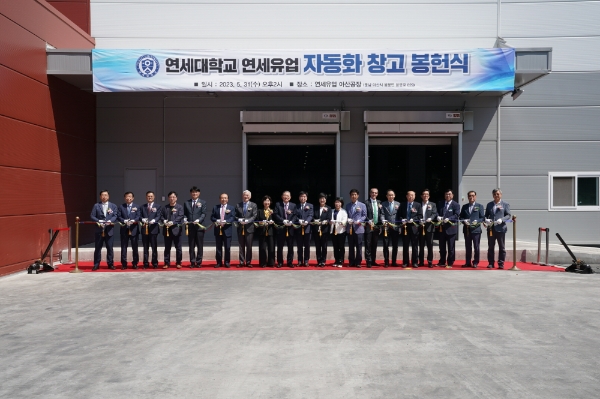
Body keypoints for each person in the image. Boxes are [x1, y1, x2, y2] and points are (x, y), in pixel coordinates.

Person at [90, 190, 118, 271]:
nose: (104, 197)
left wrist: (110, 221)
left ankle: (110, 264)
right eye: (102, 195)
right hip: (99, 230)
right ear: (100, 196)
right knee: (98, 248)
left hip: (109, 230)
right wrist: (98, 220)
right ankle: (96, 264)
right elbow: (92, 216)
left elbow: (115, 215)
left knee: (109, 248)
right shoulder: (96, 205)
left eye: (106, 195)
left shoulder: (113, 206)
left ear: (108, 196)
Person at [485, 188, 512, 269]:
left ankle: (501, 263)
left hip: (501, 229)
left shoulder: (505, 204)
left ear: (501, 195)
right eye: (494, 194)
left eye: (498, 194)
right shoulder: (489, 204)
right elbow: (486, 215)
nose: (496, 195)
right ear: (492, 195)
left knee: (502, 247)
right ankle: (491, 263)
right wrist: (486, 219)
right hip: (491, 229)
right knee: (490, 247)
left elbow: (508, 215)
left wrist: (502, 219)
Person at [183, 186, 207, 268]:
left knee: (200, 245)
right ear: (190, 193)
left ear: (199, 193)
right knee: (191, 245)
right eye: (193, 192)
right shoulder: (186, 203)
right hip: (190, 227)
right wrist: (185, 218)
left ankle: (199, 262)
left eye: (196, 192)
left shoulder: (203, 202)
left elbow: (204, 214)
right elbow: (185, 213)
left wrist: (199, 220)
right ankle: (192, 262)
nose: (194, 193)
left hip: (199, 227)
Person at [460, 190, 485, 268]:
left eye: (473, 195)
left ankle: (475, 262)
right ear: (468, 197)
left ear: (475, 197)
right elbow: (460, 217)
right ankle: (468, 262)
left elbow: (482, 218)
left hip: (476, 230)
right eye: (470, 196)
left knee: (476, 247)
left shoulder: (480, 206)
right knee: (468, 247)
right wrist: (464, 221)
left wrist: (477, 221)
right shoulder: (464, 207)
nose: (471, 197)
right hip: (467, 230)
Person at [210, 193, 236, 268]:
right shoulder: (215, 207)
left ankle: (227, 262)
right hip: (218, 230)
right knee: (218, 247)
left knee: (227, 247)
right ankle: (218, 262)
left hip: (227, 230)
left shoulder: (231, 208)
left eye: (225, 198)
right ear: (219, 199)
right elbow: (212, 217)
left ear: (227, 199)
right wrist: (217, 220)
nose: (223, 199)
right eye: (222, 198)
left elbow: (232, 217)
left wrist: (226, 221)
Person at [273, 191, 298, 268]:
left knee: (290, 246)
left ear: (290, 197)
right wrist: (283, 220)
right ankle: (280, 262)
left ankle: (290, 262)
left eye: (288, 196)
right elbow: (275, 214)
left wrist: (291, 221)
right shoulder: (278, 204)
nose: (286, 197)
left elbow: (295, 215)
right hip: (281, 228)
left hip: (290, 228)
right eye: (284, 195)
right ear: (282, 196)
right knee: (280, 246)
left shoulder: (293, 205)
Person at [437, 189, 460, 268]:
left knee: (451, 247)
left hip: (451, 228)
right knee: (442, 247)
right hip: (441, 228)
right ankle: (442, 261)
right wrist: (438, 217)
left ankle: (450, 262)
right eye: (446, 194)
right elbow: (437, 212)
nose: (448, 196)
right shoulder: (440, 203)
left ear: (452, 195)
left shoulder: (456, 205)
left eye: (449, 194)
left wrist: (449, 218)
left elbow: (457, 215)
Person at [117, 191, 140, 270]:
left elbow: (138, 216)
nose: (128, 198)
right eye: (127, 196)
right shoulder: (121, 207)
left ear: (133, 198)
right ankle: (124, 264)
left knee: (135, 247)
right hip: (124, 229)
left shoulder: (137, 207)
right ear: (124, 198)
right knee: (124, 247)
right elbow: (118, 216)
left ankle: (135, 263)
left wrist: (133, 220)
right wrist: (124, 221)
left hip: (134, 229)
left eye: (130, 196)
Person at [139, 191, 162, 269]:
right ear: (146, 197)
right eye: (148, 196)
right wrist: (142, 219)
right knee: (145, 247)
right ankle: (145, 263)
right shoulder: (142, 207)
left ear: (154, 197)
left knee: (154, 247)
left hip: (153, 229)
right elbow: (139, 216)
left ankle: (155, 262)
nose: (150, 197)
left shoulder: (158, 206)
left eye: (151, 196)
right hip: (144, 229)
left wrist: (154, 220)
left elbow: (159, 216)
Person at [399, 190, 422, 267]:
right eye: (409, 195)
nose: (410, 197)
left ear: (415, 196)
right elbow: (399, 215)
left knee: (415, 246)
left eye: (412, 195)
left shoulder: (418, 205)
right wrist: (402, 219)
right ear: (406, 196)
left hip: (414, 228)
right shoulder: (402, 205)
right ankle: (405, 262)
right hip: (405, 227)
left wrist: (414, 219)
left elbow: (420, 216)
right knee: (405, 246)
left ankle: (415, 262)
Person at [162, 191, 184, 269]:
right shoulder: (165, 207)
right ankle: (166, 263)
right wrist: (164, 221)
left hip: (176, 230)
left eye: (173, 197)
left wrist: (173, 222)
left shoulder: (179, 207)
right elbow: (162, 216)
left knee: (178, 248)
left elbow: (180, 216)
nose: (172, 198)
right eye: (170, 197)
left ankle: (178, 262)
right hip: (167, 231)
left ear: (176, 198)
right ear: (168, 198)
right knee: (167, 248)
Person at [235, 190, 257, 267]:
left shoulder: (253, 205)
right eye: (244, 195)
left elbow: (254, 216)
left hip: (249, 228)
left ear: (250, 197)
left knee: (249, 246)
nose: (246, 197)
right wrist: (239, 219)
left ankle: (248, 262)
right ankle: (241, 261)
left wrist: (248, 221)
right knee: (241, 246)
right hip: (240, 228)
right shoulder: (238, 205)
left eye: (247, 195)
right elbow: (235, 215)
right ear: (242, 196)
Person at [345, 189, 367, 267]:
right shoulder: (347, 205)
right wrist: (348, 219)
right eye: (352, 195)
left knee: (359, 246)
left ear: (358, 196)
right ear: (350, 196)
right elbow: (346, 215)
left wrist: (359, 220)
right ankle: (351, 262)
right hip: (350, 228)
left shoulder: (362, 205)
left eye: (355, 194)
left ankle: (358, 262)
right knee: (351, 246)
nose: (353, 196)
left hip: (359, 228)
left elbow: (364, 215)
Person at [380, 190, 400, 267]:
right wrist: (383, 220)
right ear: (387, 196)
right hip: (386, 227)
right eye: (389, 195)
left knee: (395, 245)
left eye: (392, 195)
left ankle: (394, 261)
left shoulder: (398, 204)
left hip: (395, 227)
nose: (391, 196)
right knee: (386, 245)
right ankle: (386, 262)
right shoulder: (383, 204)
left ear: (394, 196)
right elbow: (382, 214)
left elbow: (400, 215)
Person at [418, 189, 438, 267]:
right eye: (424, 194)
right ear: (421, 196)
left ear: (429, 196)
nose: (425, 196)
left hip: (429, 227)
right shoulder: (418, 204)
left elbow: (434, 213)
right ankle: (421, 261)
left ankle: (430, 261)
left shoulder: (433, 204)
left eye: (427, 194)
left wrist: (431, 218)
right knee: (421, 245)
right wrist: (419, 219)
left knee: (430, 245)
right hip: (420, 227)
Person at [313, 193, 332, 267]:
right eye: (321, 198)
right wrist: (315, 220)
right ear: (318, 200)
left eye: (323, 198)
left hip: (325, 229)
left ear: (326, 200)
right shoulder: (315, 208)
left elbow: (329, 217)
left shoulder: (329, 208)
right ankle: (318, 261)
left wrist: (326, 221)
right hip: (316, 229)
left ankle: (323, 261)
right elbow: (312, 217)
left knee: (324, 246)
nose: (322, 200)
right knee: (318, 246)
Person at [295, 191, 314, 266]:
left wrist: (307, 221)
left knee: (307, 246)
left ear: (306, 198)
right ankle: (299, 261)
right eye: (301, 196)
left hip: (307, 228)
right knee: (299, 246)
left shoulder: (310, 205)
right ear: (299, 198)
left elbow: (311, 215)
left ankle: (306, 260)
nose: (303, 198)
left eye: (304, 196)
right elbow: (294, 215)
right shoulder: (296, 206)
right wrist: (298, 220)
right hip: (299, 228)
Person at [256, 195, 276, 267]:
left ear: (270, 202)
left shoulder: (273, 211)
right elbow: (257, 220)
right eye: (265, 200)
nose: (267, 202)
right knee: (262, 247)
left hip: (271, 231)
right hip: (262, 231)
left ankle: (271, 262)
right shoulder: (259, 211)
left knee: (271, 247)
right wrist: (261, 222)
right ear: (263, 202)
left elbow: (276, 221)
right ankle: (263, 263)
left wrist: (273, 222)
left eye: (268, 201)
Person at [364, 187, 381, 268]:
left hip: (377, 226)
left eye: (376, 193)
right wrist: (368, 220)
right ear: (370, 193)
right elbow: (364, 214)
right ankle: (368, 261)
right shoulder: (366, 203)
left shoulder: (379, 202)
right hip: (369, 226)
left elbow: (380, 214)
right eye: (372, 192)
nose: (374, 194)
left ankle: (373, 260)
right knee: (368, 244)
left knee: (375, 244)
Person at [330, 197, 348, 267]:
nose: (337, 204)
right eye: (336, 202)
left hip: (341, 231)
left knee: (341, 246)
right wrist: (331, 221)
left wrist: (342, 222)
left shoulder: (344, 211)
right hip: (333, 230)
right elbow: (329, 219)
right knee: (335, 246)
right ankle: (336, 260)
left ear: (341, 203)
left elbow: (345, 220)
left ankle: (341, 260)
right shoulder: (332, 211)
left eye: (339, 202)